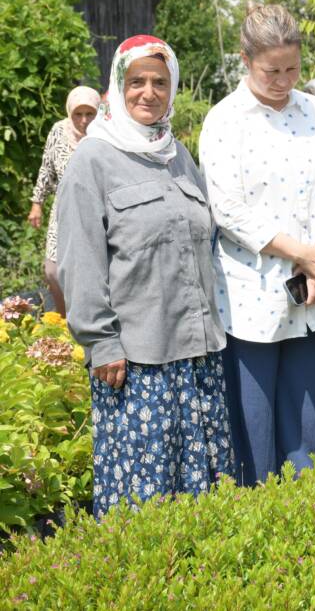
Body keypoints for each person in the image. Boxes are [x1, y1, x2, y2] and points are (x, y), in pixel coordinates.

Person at [56, 35, 231, 518]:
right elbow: (80, 260)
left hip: (197, 354)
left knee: (203, 496)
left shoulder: (178, 155)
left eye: (159, 82)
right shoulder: (93, 161)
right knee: (144, 500)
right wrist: (101, 343)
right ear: (117, 86)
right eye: (137, 82)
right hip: (137, 363)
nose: (148, 92)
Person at [200, 4, 315, 486]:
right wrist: (299, 254)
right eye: (272, 71)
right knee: (254, 425)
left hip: (312, 290)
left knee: (307, 423)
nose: (284, 80)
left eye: (292, 68)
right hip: (251, 295)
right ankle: (254, 520)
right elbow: (227, 210)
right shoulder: (225, 121)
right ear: (246, 59)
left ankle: (304, 523)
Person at [28, 86, 101, 316]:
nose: (84, 120)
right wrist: (37, 202)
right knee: (53, 270)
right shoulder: (59, 131)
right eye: (78, 114)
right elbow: (46, 169)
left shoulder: (105, 135)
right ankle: (64, 323)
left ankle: (91, 326)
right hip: (64, 209)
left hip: (96, 211)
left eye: (90, 114)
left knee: (90, 271)